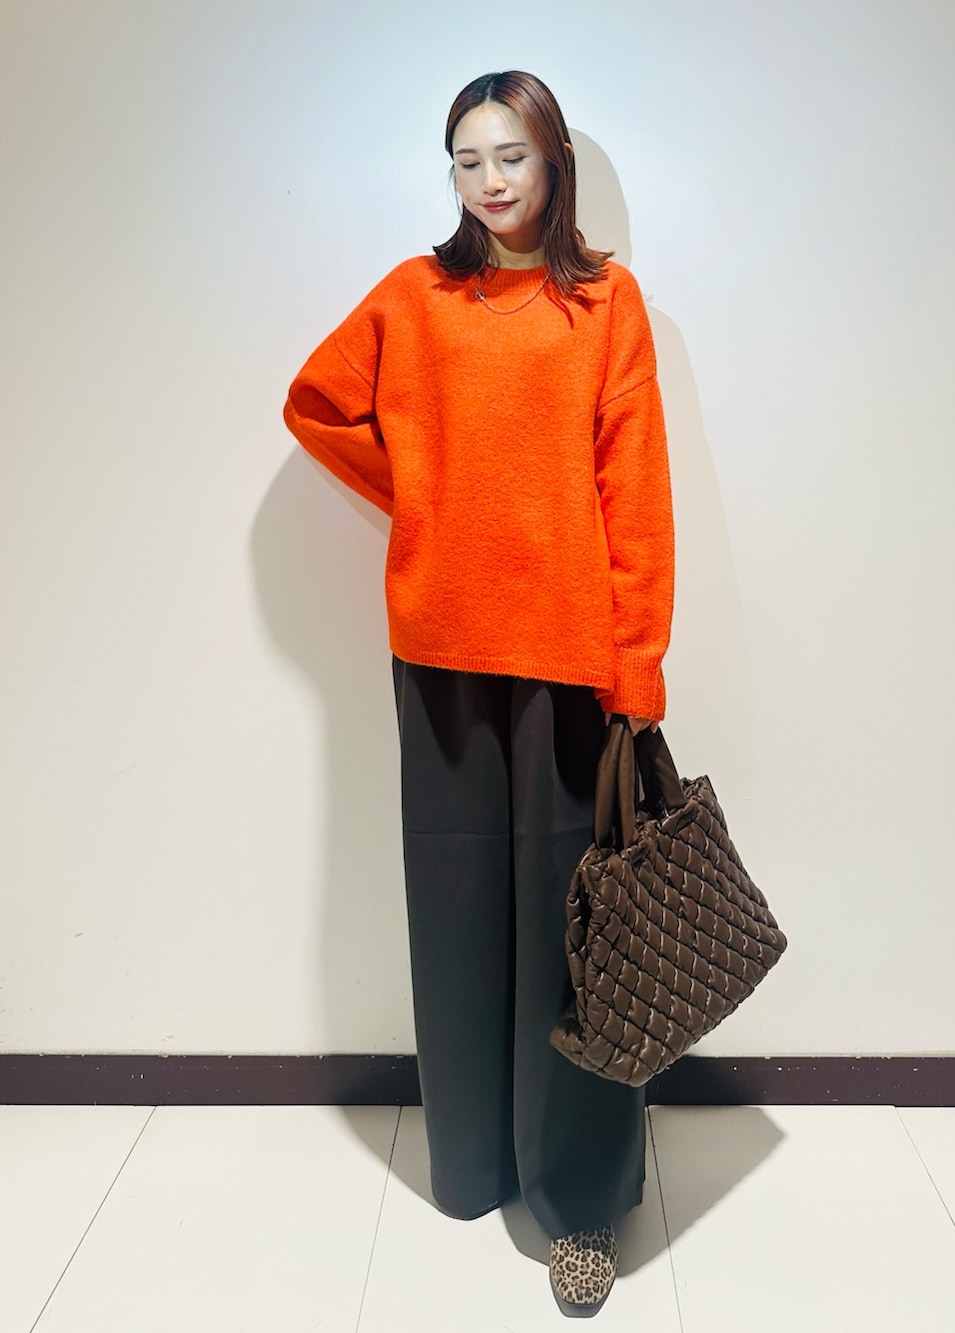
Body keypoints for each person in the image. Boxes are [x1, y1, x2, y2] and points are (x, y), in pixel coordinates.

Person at [282, 69, 674, 1318]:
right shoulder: (416, 296)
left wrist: (638, 667)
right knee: (457, 919)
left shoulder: (604, 303)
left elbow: (634, 493)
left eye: (511, 155)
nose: (491, 181)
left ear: (553, 161)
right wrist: (426, 498)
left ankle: (579, 1204)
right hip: (442, 654)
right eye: (466, 160)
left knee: (574, 937)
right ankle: (475, 1162)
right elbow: (316, 402)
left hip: (568, 660)